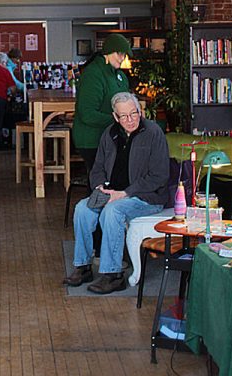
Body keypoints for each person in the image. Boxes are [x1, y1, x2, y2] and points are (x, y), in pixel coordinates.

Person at [64, 92, 169, 294]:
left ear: (140, 111)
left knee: (112, 211)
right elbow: (97, 169)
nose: (130, 120)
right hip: (111, 192)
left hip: (145, 197)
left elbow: (159, 176)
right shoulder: (109, 134)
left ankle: (113, 275)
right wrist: (99, 187)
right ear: (115, 117)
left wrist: (125, 193)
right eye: (124, 116)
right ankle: (83, 266)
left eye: (134, 114)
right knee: (82, 209)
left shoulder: (154, 132)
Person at [72, 33, 132, 175]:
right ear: (108, 52)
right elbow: (87, 114)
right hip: (92, 139)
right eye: (119, 54)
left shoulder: (120, 76)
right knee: (104, 179)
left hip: (113, 137)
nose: (122, 58)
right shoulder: (93, 74)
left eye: (124, 54)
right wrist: (118, 120)